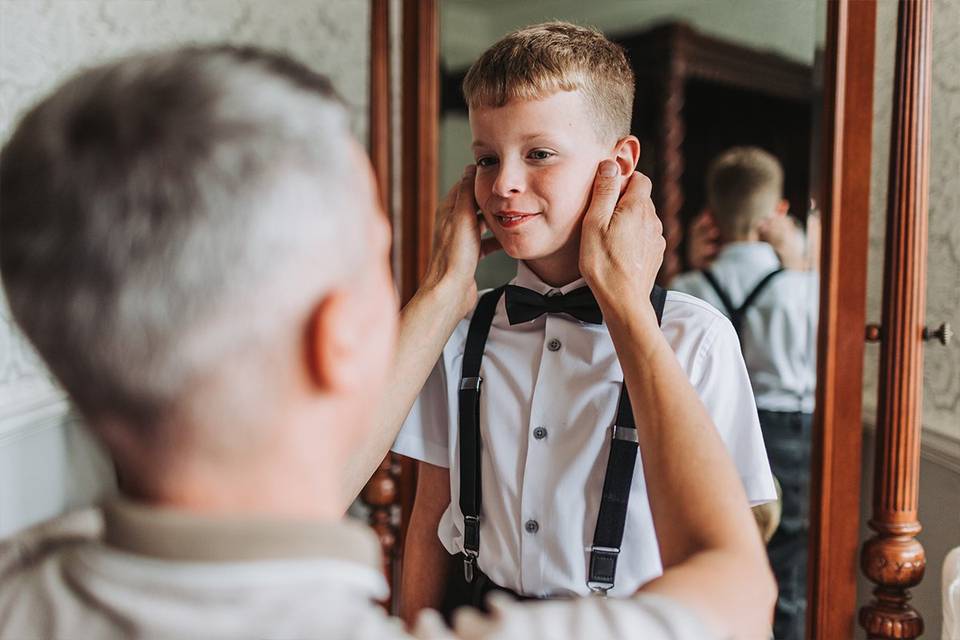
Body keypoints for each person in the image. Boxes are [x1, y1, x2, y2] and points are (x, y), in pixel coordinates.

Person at [0, 45, 776, 640]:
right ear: (337, 339)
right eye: (375, 254)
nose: (500, 184)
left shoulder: (20, 587)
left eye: (538, 153)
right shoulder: (470, 336)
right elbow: (738, 588)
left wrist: (446, 292)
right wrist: (479, 302)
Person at [394, 21, 776, 622]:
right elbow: (426, 518)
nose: (505, 184)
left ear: (617, 163)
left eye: (539, 153)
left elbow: (738, 542)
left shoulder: (695, 338)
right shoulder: (458, 335)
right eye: (487, 159)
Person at [671, 147, 819, 640]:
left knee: (714, 559)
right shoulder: (802, 287)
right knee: (788, 569)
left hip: (709, 432)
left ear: (709, 218)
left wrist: (688, 266)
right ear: (778, 214)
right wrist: (799, 263)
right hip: (789, 434)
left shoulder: (688, 286)